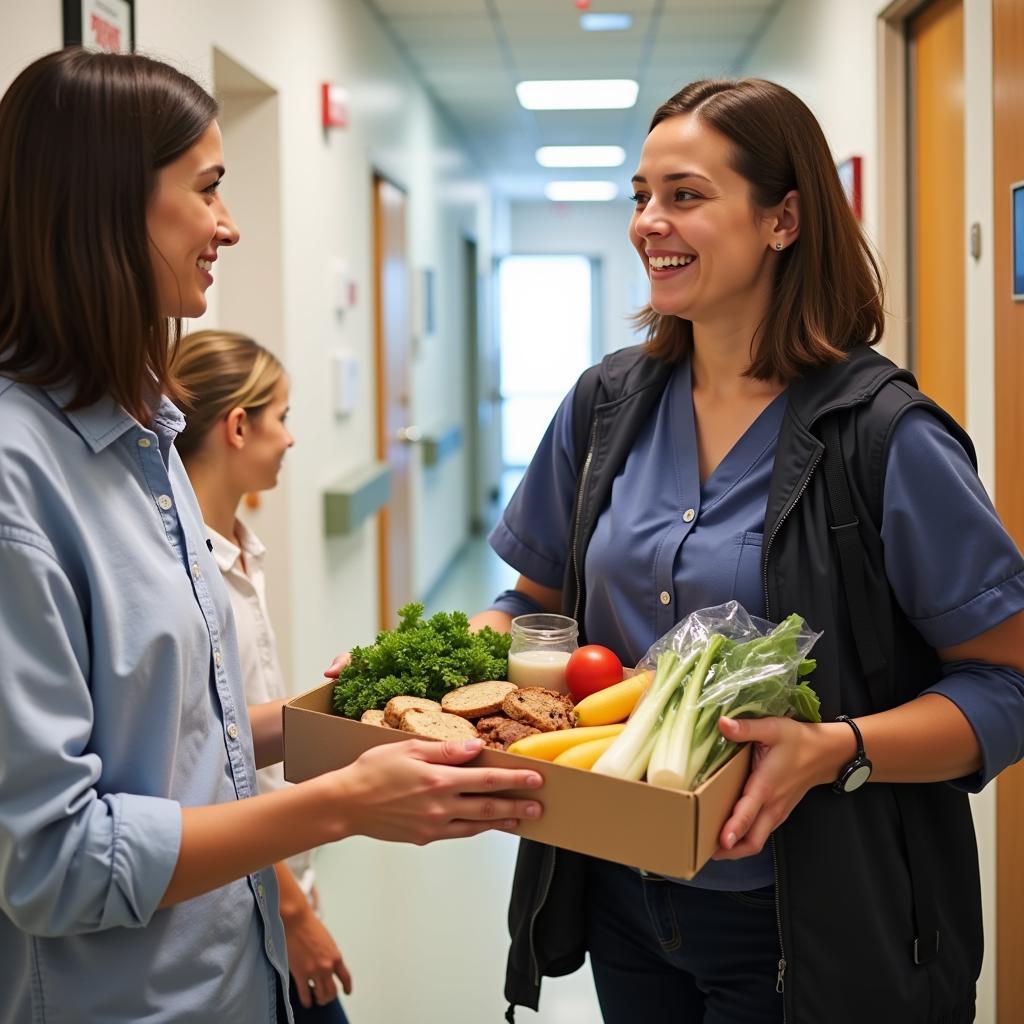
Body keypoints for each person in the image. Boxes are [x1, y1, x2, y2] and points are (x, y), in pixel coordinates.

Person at [0, 48, 543, 1024]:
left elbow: (169, 733)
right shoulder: (17, 476)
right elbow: (54, 863)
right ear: (110, 205)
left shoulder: (147, 435)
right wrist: (338, 804)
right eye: (208, 189)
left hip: (231, 972)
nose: (230, 224)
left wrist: (335, 721)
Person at [470, 78, 1024, 1024]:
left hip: (817, 918)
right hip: (622, 892)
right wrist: (453, 672)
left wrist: (833, 749)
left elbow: (1005, 681)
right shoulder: (605, 408)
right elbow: (531, 606)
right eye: (640, 196)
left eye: (685, 195)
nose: (649, 222)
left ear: (783, 219)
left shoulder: (885, 437)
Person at [174, 329, 351, 1021]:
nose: (292, 438)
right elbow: (205, 765)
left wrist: (350, 704)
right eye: (283, 417)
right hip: (249, 892)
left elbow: (239, 731)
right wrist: (295, 913)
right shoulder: (187, 576)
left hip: (279, 874)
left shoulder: (244, 549)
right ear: (238, 426)